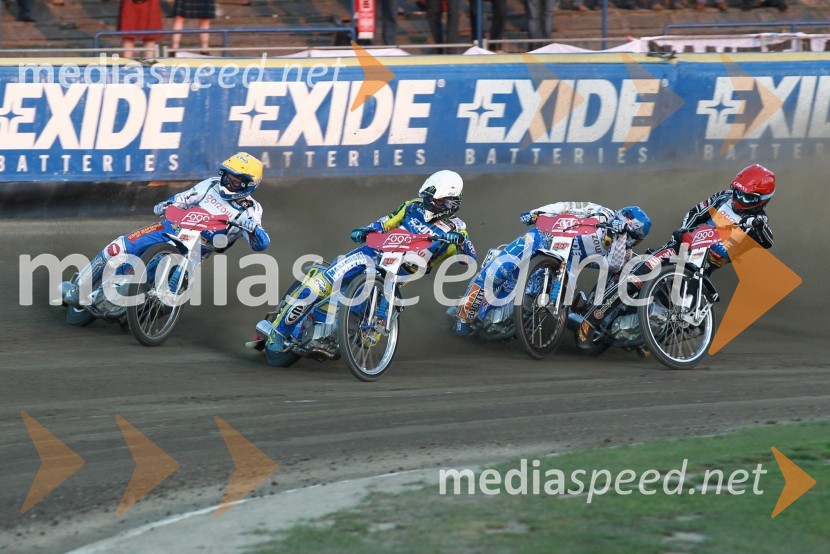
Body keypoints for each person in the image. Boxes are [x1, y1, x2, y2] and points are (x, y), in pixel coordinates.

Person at [267, 170, 476, 352]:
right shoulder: (412, 207)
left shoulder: (457, 230)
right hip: (371, 253)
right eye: (428, 198)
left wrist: (461, 242)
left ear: (451, 203)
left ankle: (333, 338)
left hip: (394, 277)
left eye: (435, 200)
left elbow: (470, 260)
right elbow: (385, 222)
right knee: (318, 286)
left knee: (367, 339)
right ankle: (278, 332)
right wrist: (366, 229)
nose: (428, 203)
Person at [576, 164, 774, 345]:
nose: (739, 200)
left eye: (747, 197)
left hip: (701, 269)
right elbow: (696, 213)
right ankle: (593, 318)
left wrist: (756, 225)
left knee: (697, 326)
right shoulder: (723, 197)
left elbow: (767, 240)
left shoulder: (758, 222)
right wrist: (683, 230)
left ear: (762, 201)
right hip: (679, 247)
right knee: (641, 273)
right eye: (737, 192)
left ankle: (655, 340)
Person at [63, 153, 270, 307]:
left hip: (198, 250)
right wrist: (168, 204)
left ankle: (143, 307)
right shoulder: (211, 184)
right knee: (118, 247)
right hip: (171, 227)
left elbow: (261, 244)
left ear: (249, 185)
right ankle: (79, 287)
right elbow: (184, 198)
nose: (229, 183)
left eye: (236, 181)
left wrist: (254, 230)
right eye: (228, 177)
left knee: (173, 297)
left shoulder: (251, 209)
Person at [452, 202, 651, 335]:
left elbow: (614, 265)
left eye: (635, 238)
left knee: (533, 295)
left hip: (567, 262)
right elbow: (565, 206)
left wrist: (620, 236)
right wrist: (537, 212)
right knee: (499, 269)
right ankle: (463, 315)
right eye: (632, 235)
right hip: (543, 236)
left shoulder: (622, 247)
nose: (632, 241)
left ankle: (515, 323)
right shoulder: (601, 212)